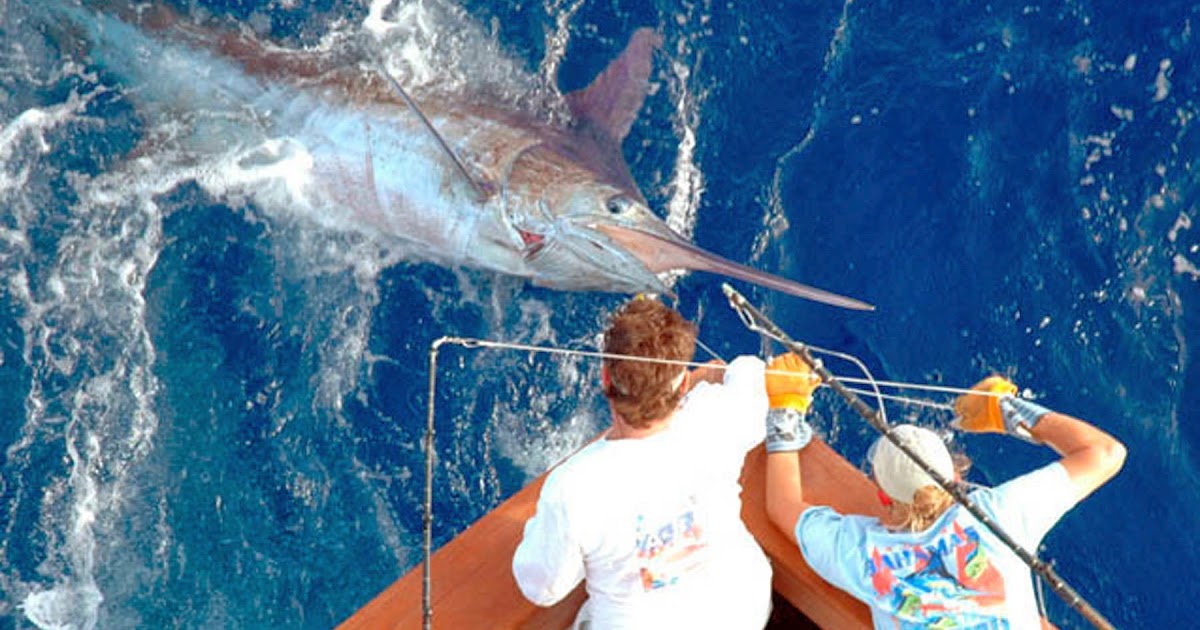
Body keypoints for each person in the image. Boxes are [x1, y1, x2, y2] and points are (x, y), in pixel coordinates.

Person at [762, 354, 1127, 629]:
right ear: (954, 473)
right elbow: (1106, 453)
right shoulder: (1001, 514)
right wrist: (1007, 410)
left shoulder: (861, 554)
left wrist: (784, 410)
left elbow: (782, 507)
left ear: (884, 496)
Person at [512, 298, 772, 629]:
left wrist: (541, 526)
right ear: (684, 384)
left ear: (605, 379)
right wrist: (712, 373)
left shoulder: (572, 487)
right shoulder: (716, 416)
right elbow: (750, 370)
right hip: (743, 611)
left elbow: (542, 589)